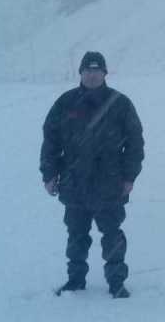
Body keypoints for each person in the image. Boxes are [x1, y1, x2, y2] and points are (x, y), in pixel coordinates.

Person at [40, 51, 144, 298]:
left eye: (97, 70)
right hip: (74, 182)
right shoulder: (65, 103)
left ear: (105, 73)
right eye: (87, 70)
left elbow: (135, 144)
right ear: (81, 73)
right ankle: (75, 281)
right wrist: (49, 174)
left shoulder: (120, 103)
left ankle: (117, 283)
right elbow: (50, 141)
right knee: (76, 235)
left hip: (110, 182)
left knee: (112, 235)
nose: (92, 74)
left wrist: (129, 177)